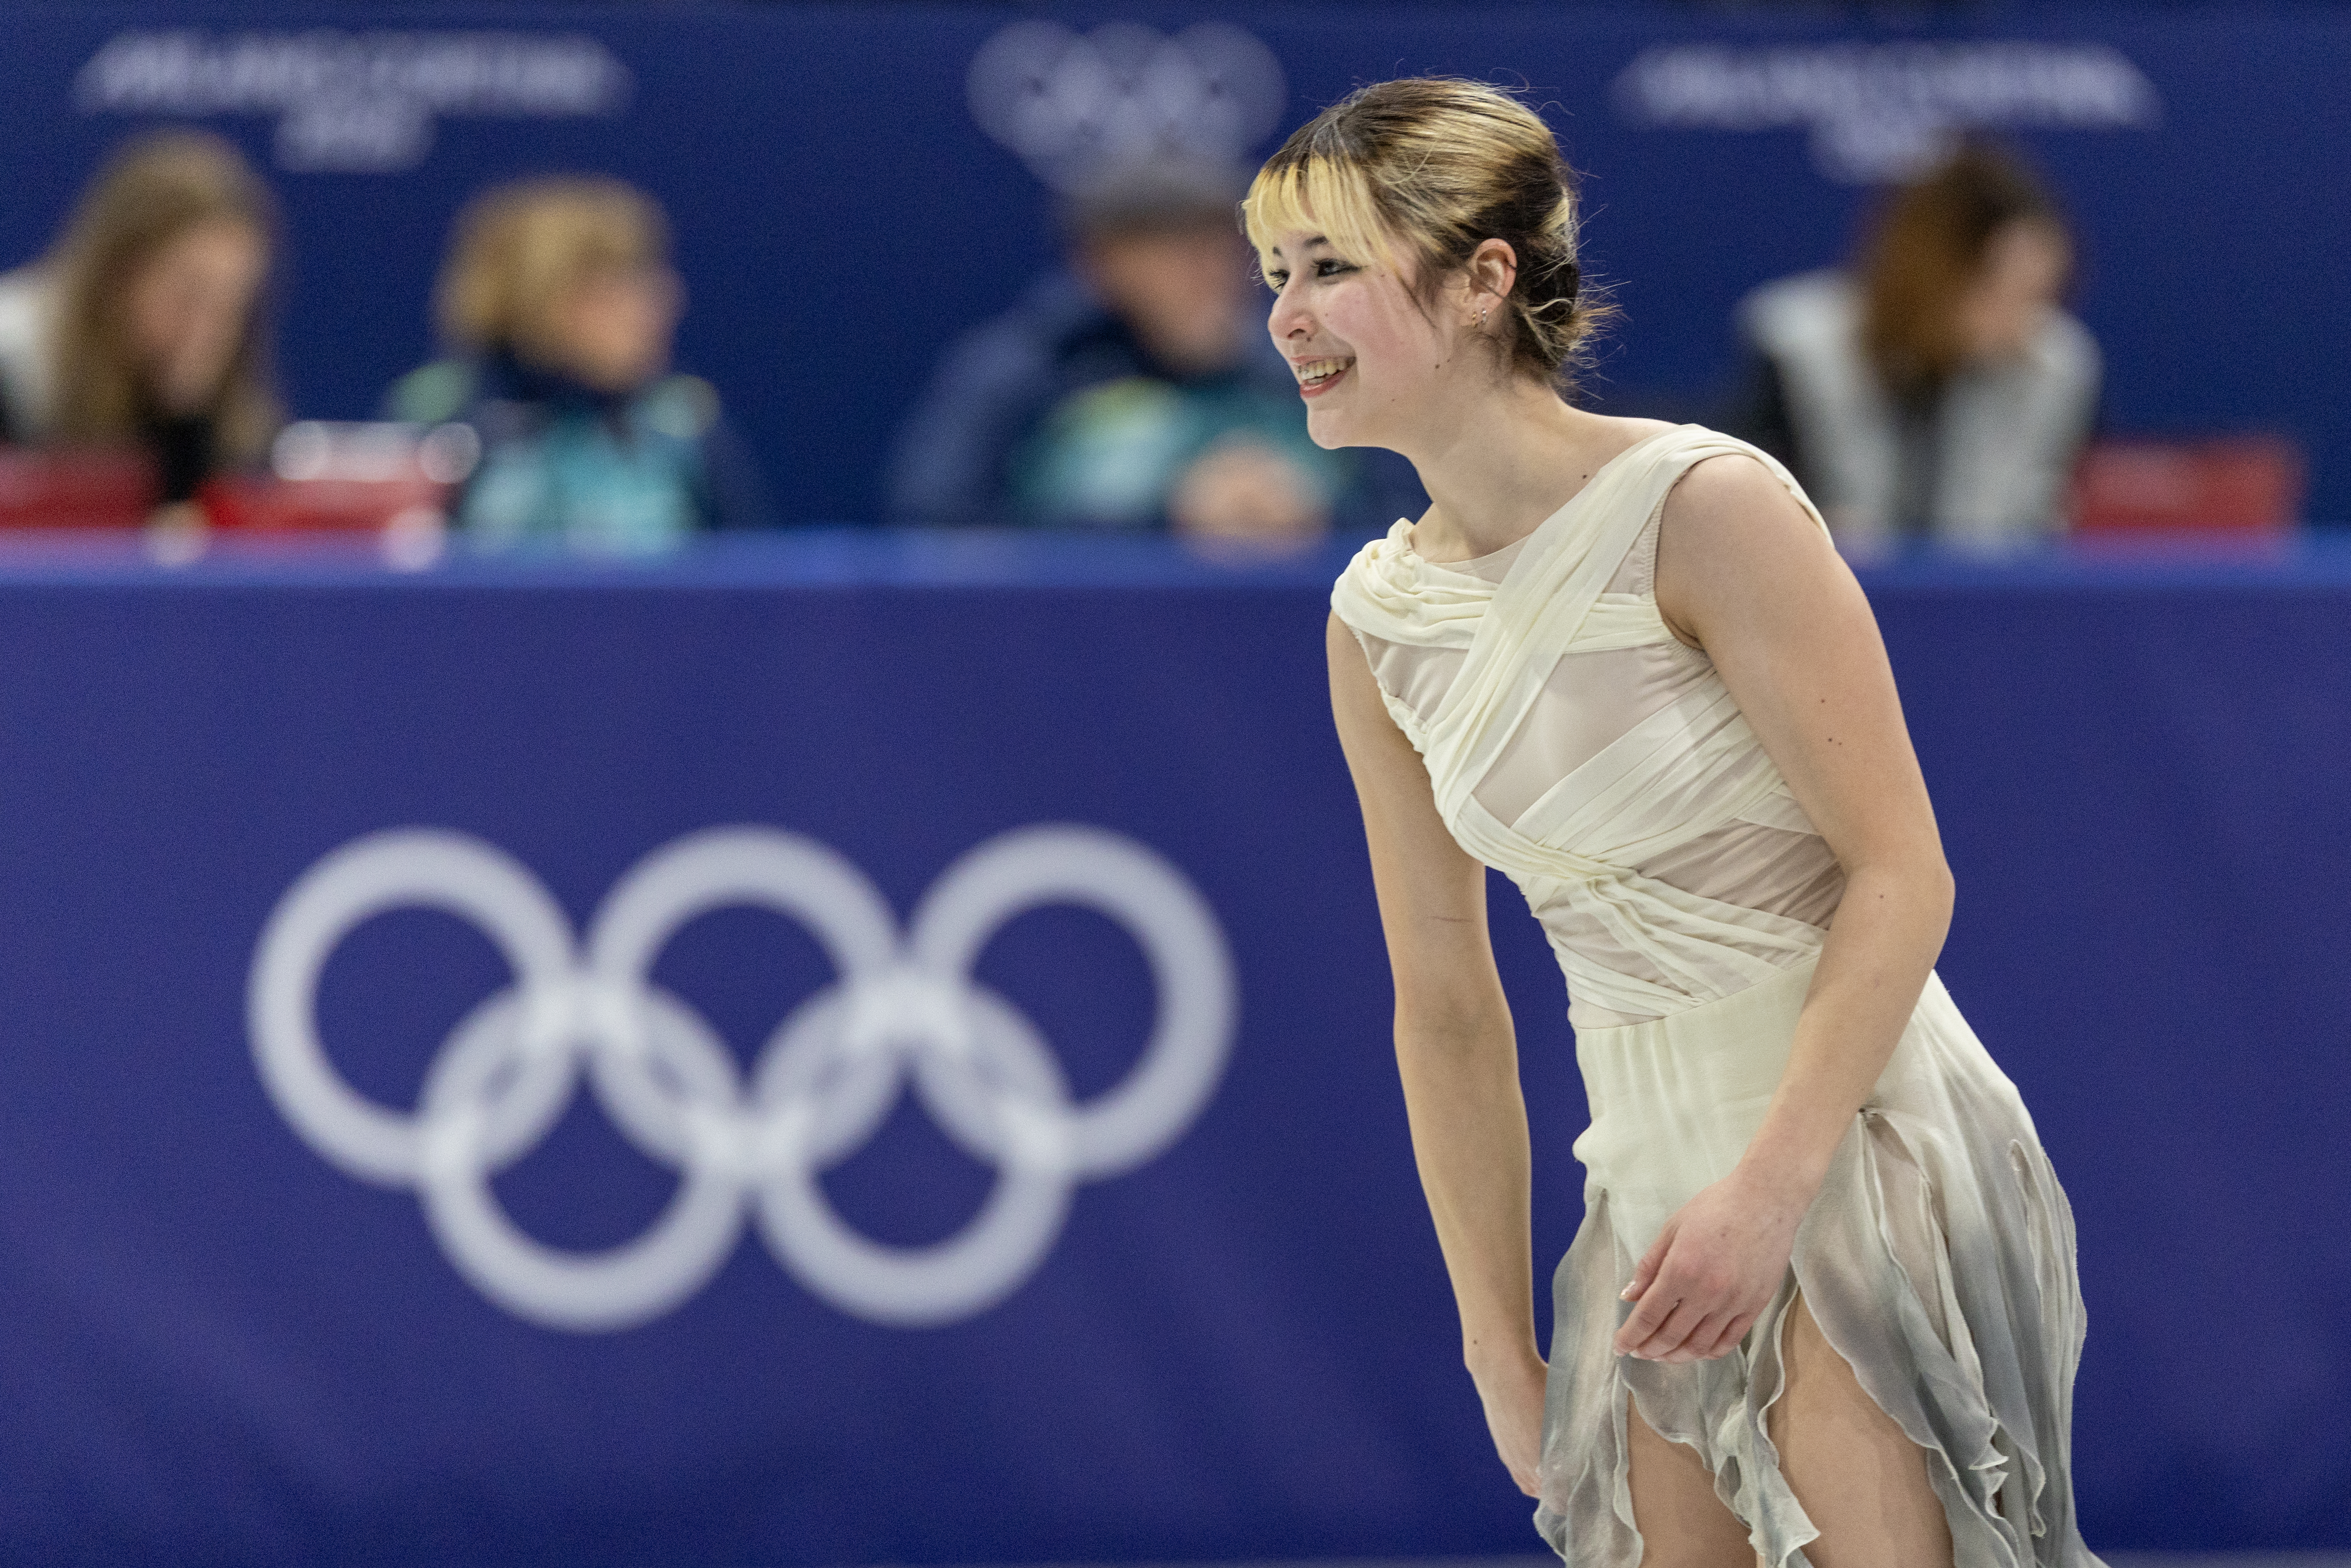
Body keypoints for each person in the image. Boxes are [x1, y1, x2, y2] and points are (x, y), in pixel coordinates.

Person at [1253, 80, 2101, 1564]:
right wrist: (1494, 1346)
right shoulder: (1374, 620)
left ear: (1484, 281)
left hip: (1858, 1142)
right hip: (1641, 1181)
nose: (1288, 317)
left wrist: (1772, 1191)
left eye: (1331, 267)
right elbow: (1446, 1009)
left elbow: (1902, 873)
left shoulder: (1705, 504)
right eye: (1277, 277)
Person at [886, 158, 1422, 540]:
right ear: (1101, 263)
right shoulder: (1024, 372)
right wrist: (1167, 519)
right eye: (1178, 252)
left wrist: (1314, 516)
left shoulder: (1312, 365)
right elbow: (937, 521)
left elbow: (1416, 513)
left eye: (1224, 248)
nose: (1209, 273)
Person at [1730, 143, 2098, 553]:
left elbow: (2046, 528)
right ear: (1930, 272)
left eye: (2042, 296)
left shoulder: (2057, 370)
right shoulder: (1796, 352)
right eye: (2004, 293)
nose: (2026, 322)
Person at [387, 176, 769, 551]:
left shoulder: (682, 426)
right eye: (615, 284)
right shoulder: (441, 416)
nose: (660, 304)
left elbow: (745, 593)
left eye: (650, 279)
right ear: (533, 300)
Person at [0, 129, 281, 523]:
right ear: (117, 276)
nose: (209, 328)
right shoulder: (13, 359)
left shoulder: (219, 400)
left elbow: (195, 543)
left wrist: (187, 418)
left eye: (231, 303)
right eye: (189, 294)